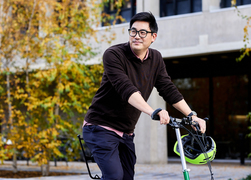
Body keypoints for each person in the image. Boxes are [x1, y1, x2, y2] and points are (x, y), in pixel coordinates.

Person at [83, 12, 206, 180]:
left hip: (126, 133)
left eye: (142, 33)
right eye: (133, 31)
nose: (136, 36)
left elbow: (167, 89)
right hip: (100, 127)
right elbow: (126, 89)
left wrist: (191, 115)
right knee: (114, 176)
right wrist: (152, 111)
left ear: (153, 36)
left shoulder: (155, 58)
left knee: (126, 177)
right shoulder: (113, 55)